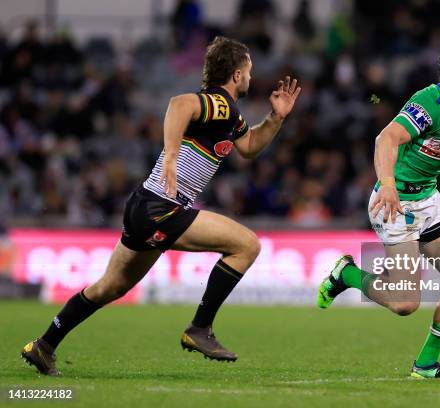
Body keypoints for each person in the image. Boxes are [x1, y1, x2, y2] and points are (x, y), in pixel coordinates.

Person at [22, 36, 301, 376]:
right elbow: (179, 104)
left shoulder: (228, 115)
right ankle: (200, 328)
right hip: (163, 207)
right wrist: (170, 154)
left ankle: (44, 345)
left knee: (110, 287)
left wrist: (276, 117)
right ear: (237, 74)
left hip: (145, 204)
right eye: (250, 71)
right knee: (247, 245)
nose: (252, 78)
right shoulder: (219, 103)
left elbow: (250, 146)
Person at [317, 41, 440, 379]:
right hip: (395, 202)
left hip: (428, 201)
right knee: (405, 303)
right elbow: (385, 140)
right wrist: (388, 184)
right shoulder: (428, 102)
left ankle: (425, 365)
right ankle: (345, 274)